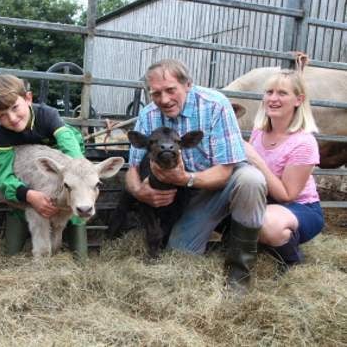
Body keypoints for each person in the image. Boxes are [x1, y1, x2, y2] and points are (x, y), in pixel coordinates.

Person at [125, 59, 267, 294]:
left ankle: (239, 274)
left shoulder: (215, 105)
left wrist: (186, 179)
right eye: (156, 93)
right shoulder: (148, 115)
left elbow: (225, 170)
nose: (164, 100)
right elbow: (131, 169)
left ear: (188, 84)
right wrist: (140, 191)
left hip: (223, 180)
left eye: (171, 90)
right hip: (190, 193)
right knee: (180, 256)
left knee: (251, 179)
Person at [0, 74, 87, 260]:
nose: (12, 118)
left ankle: (78, 246)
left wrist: (80, 173)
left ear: (28, 98)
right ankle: (25, 228)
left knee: (76, 204)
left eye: (15, 108)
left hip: (62, 167)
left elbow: (68, 143)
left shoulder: (47, 116)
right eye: (2, 116)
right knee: (12, 252)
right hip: (32, 177)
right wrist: (28, 195)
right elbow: (2, 175)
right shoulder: (3, 135)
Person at [244, 69, 324, 271]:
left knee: (266, 223)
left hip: (299, 207)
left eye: (282, 93)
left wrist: (256, 160)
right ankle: (260, 246)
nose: (273, 98)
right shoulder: (258, 132)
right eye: (269, 92)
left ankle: (291, 260)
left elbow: (287, 195)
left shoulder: (304, 143)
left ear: (299, 100)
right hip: (266, 200)